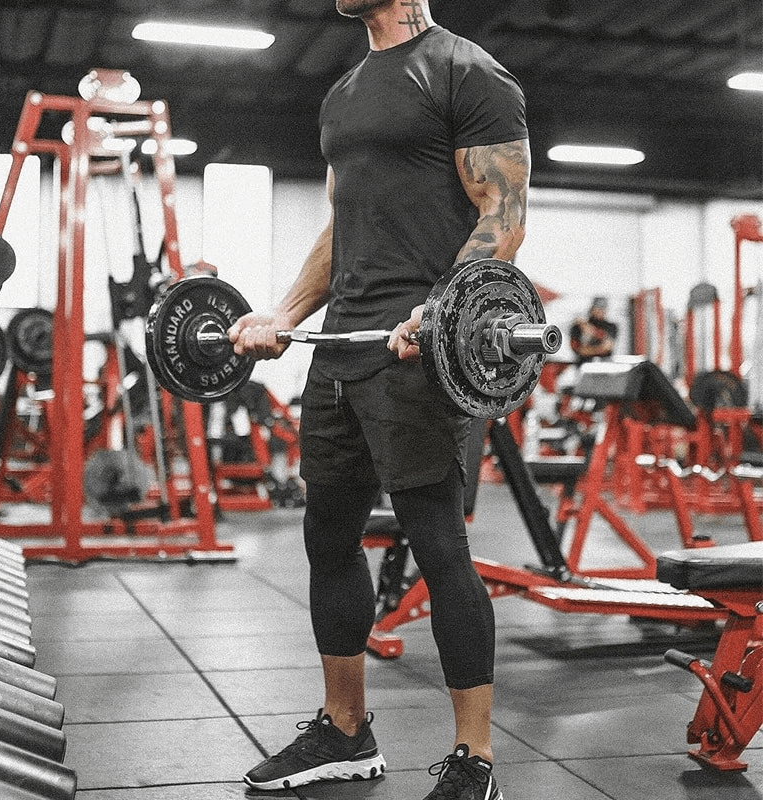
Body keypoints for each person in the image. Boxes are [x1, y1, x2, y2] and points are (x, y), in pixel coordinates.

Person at [229, 2, 529, 798]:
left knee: (438, 544)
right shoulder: (345, 92)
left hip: (418, 346)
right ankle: (345, 730)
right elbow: (341, 223)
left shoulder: (466, 71)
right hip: (342, 346)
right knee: (327, 535)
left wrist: (445, 309)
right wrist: (286, 315)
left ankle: (475, 760)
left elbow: (502, 211)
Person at [569, 297, 618, 363]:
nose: (600, 310)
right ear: (592, 308)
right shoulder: (578, 326)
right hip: (583, 364)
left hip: (605, 365)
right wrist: (598, 349)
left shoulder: (611, 326)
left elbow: (608, 346)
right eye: (597, 307)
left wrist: (591, 331)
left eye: (603, 308)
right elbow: (579, 350)